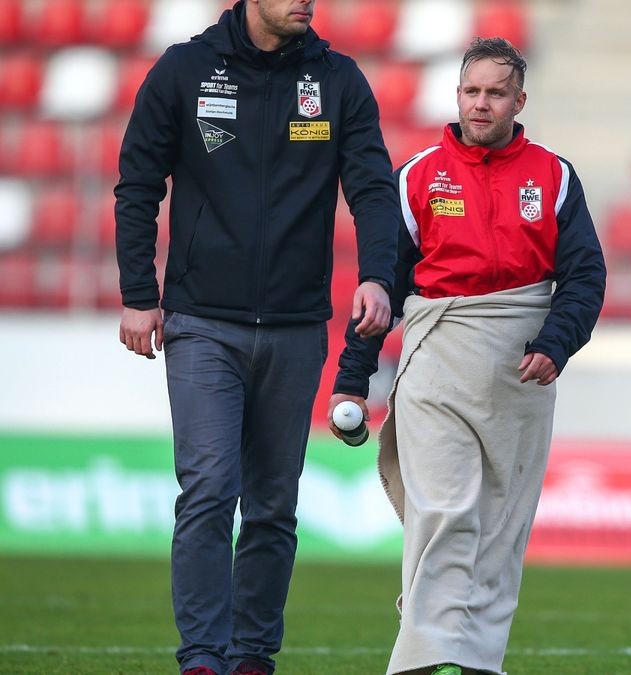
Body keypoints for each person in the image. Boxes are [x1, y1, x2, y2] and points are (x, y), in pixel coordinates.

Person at [114, 0, 400, 671]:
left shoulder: (339, 81)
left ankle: (251, 656)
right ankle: (204, 657)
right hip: (200, 322)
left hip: (298, 327)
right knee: (211, 487)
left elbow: (373, 188)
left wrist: (379, 277)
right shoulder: (185, 69)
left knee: (273, 505)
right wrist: (136, 294)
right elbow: (136, 184)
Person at [327, 37, 605, 675]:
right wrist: (352, 380)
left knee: (500, 530)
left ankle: (471, 661)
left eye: (496, 92)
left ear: (519, 100)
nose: (482, 104)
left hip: (521, 372)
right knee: (446, 514)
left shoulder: (555, 176)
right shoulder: (419, 174)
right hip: (436, 361)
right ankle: (424, 660)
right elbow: (381, 289)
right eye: (472, 91)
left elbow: (585, 276)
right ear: (456, 96)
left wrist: (554, 345)